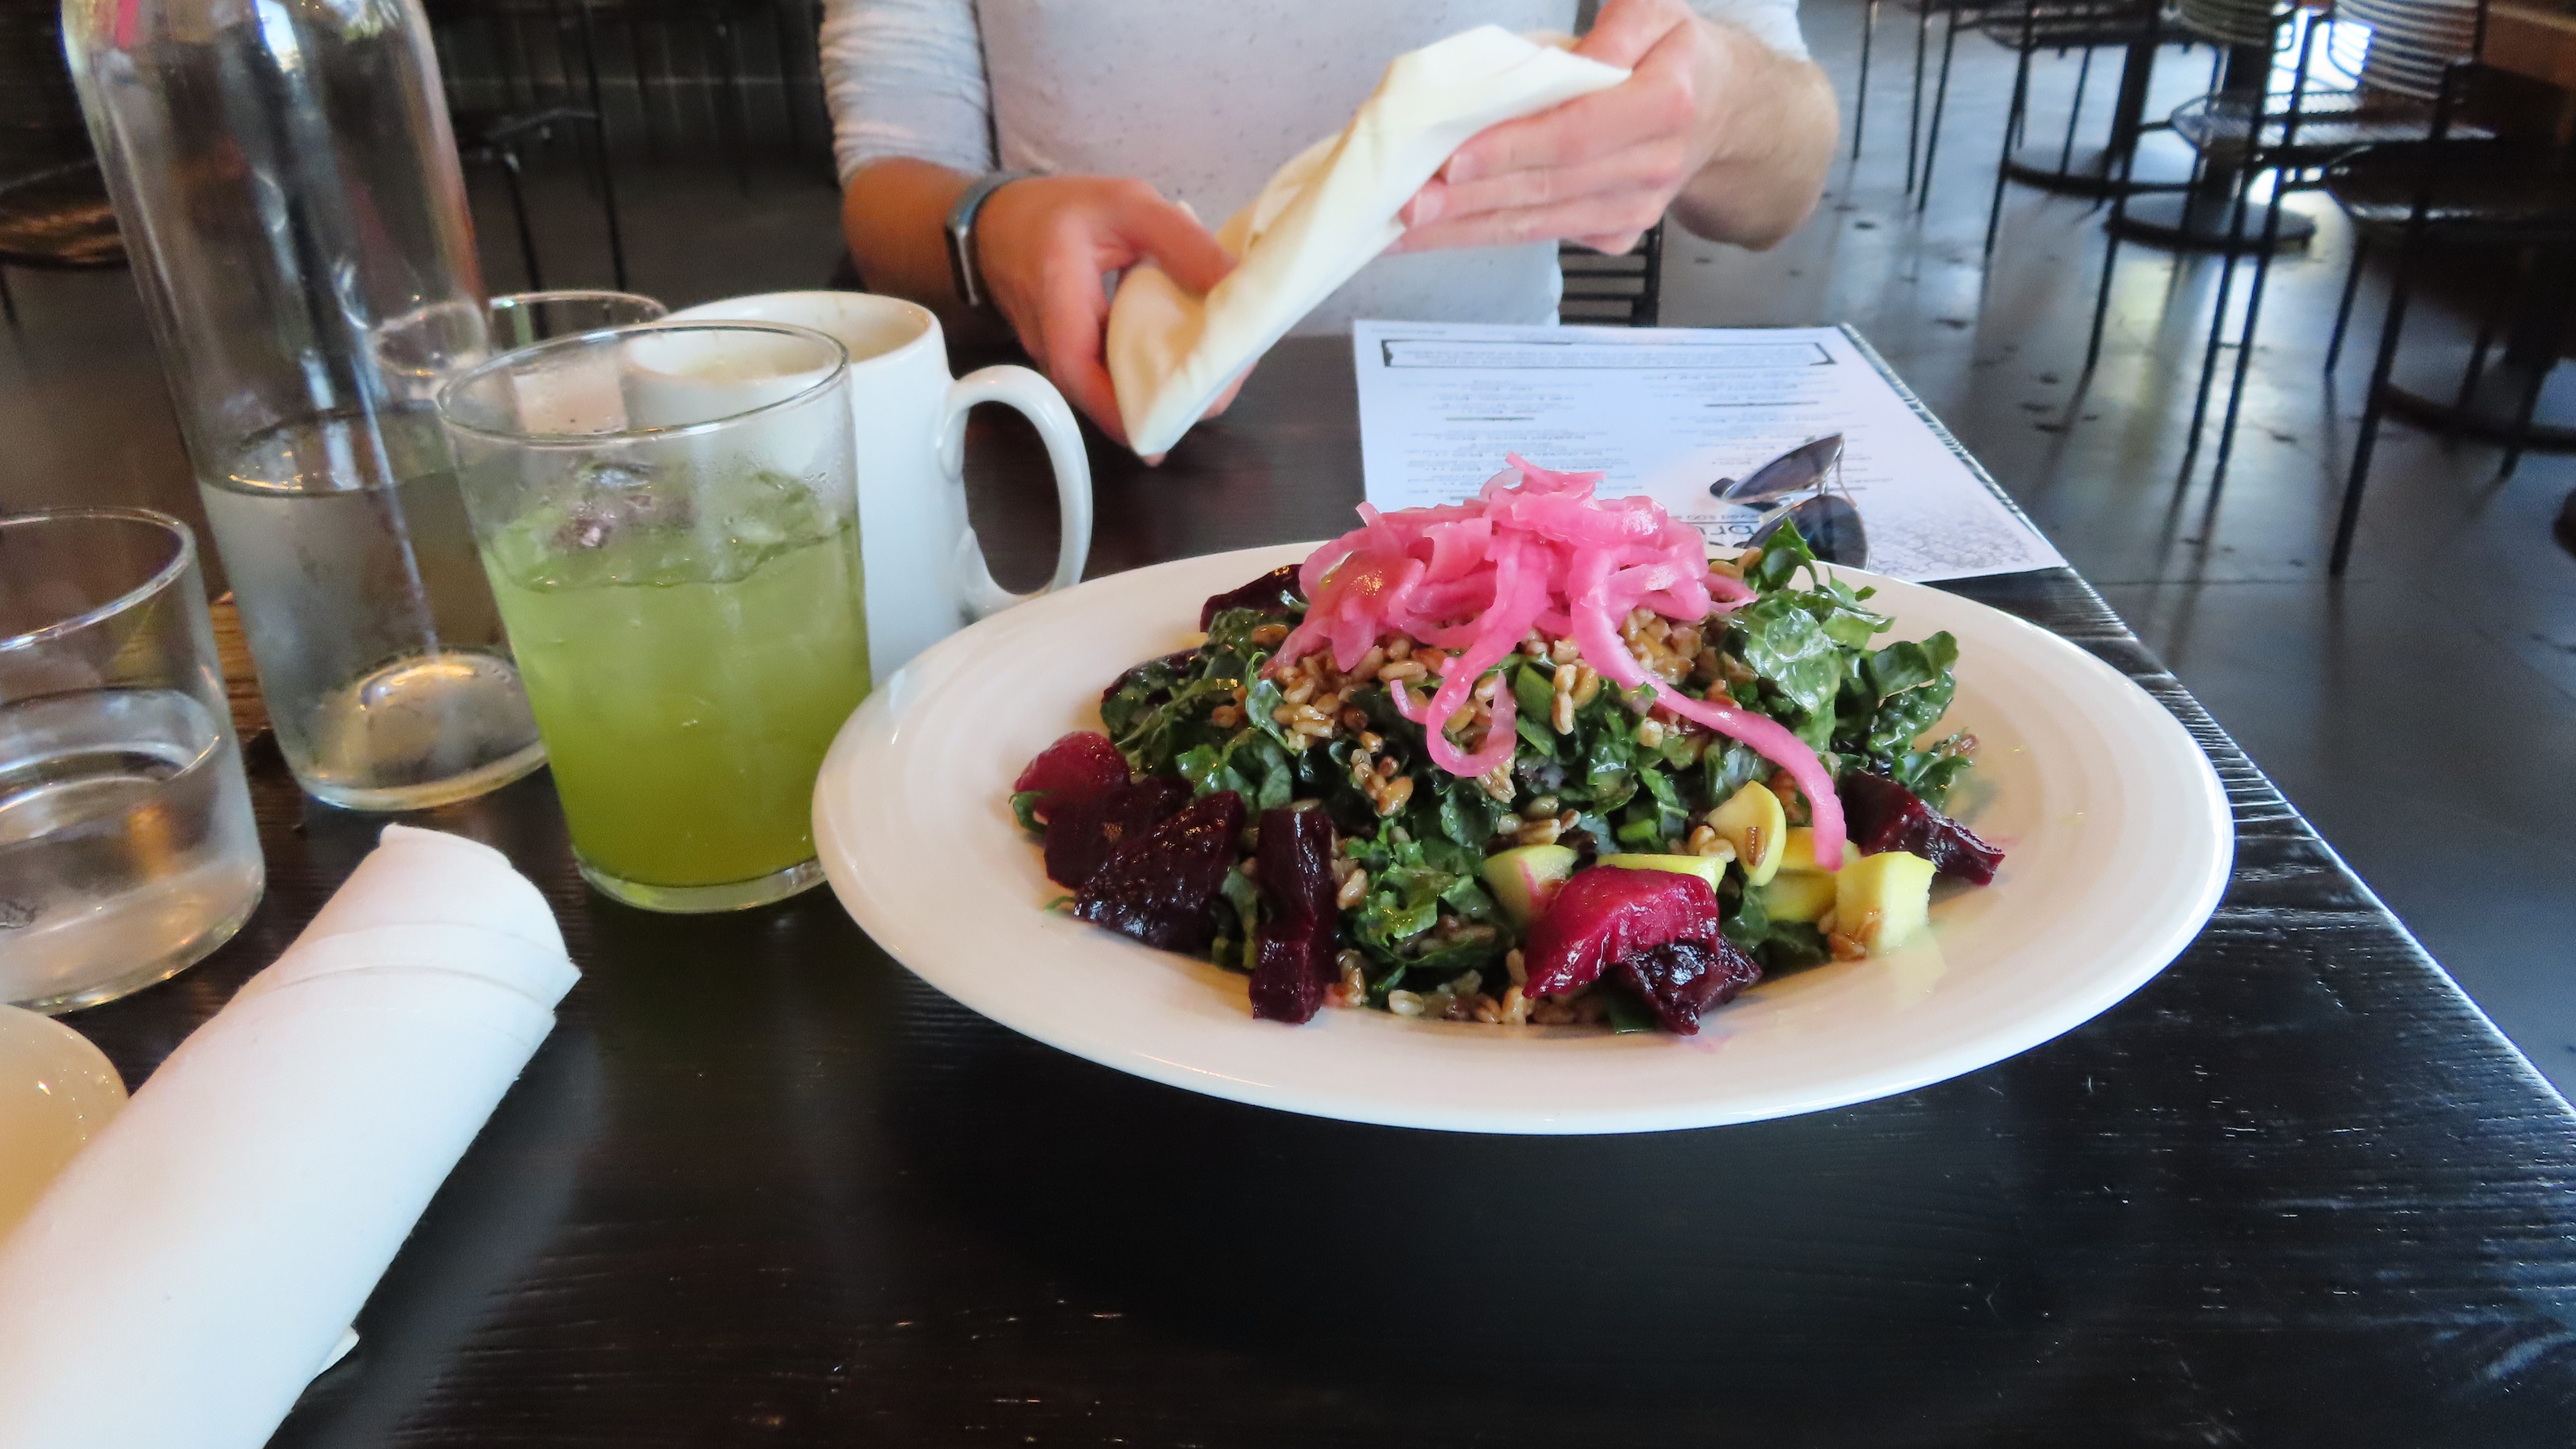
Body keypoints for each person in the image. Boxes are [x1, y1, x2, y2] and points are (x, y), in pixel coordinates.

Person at [821, 0, 1837, 450]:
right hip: (1092, 453)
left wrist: (1723, 104)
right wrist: (985, 228)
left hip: (1484, 438)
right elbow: (884, 189)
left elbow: (1787, 179)